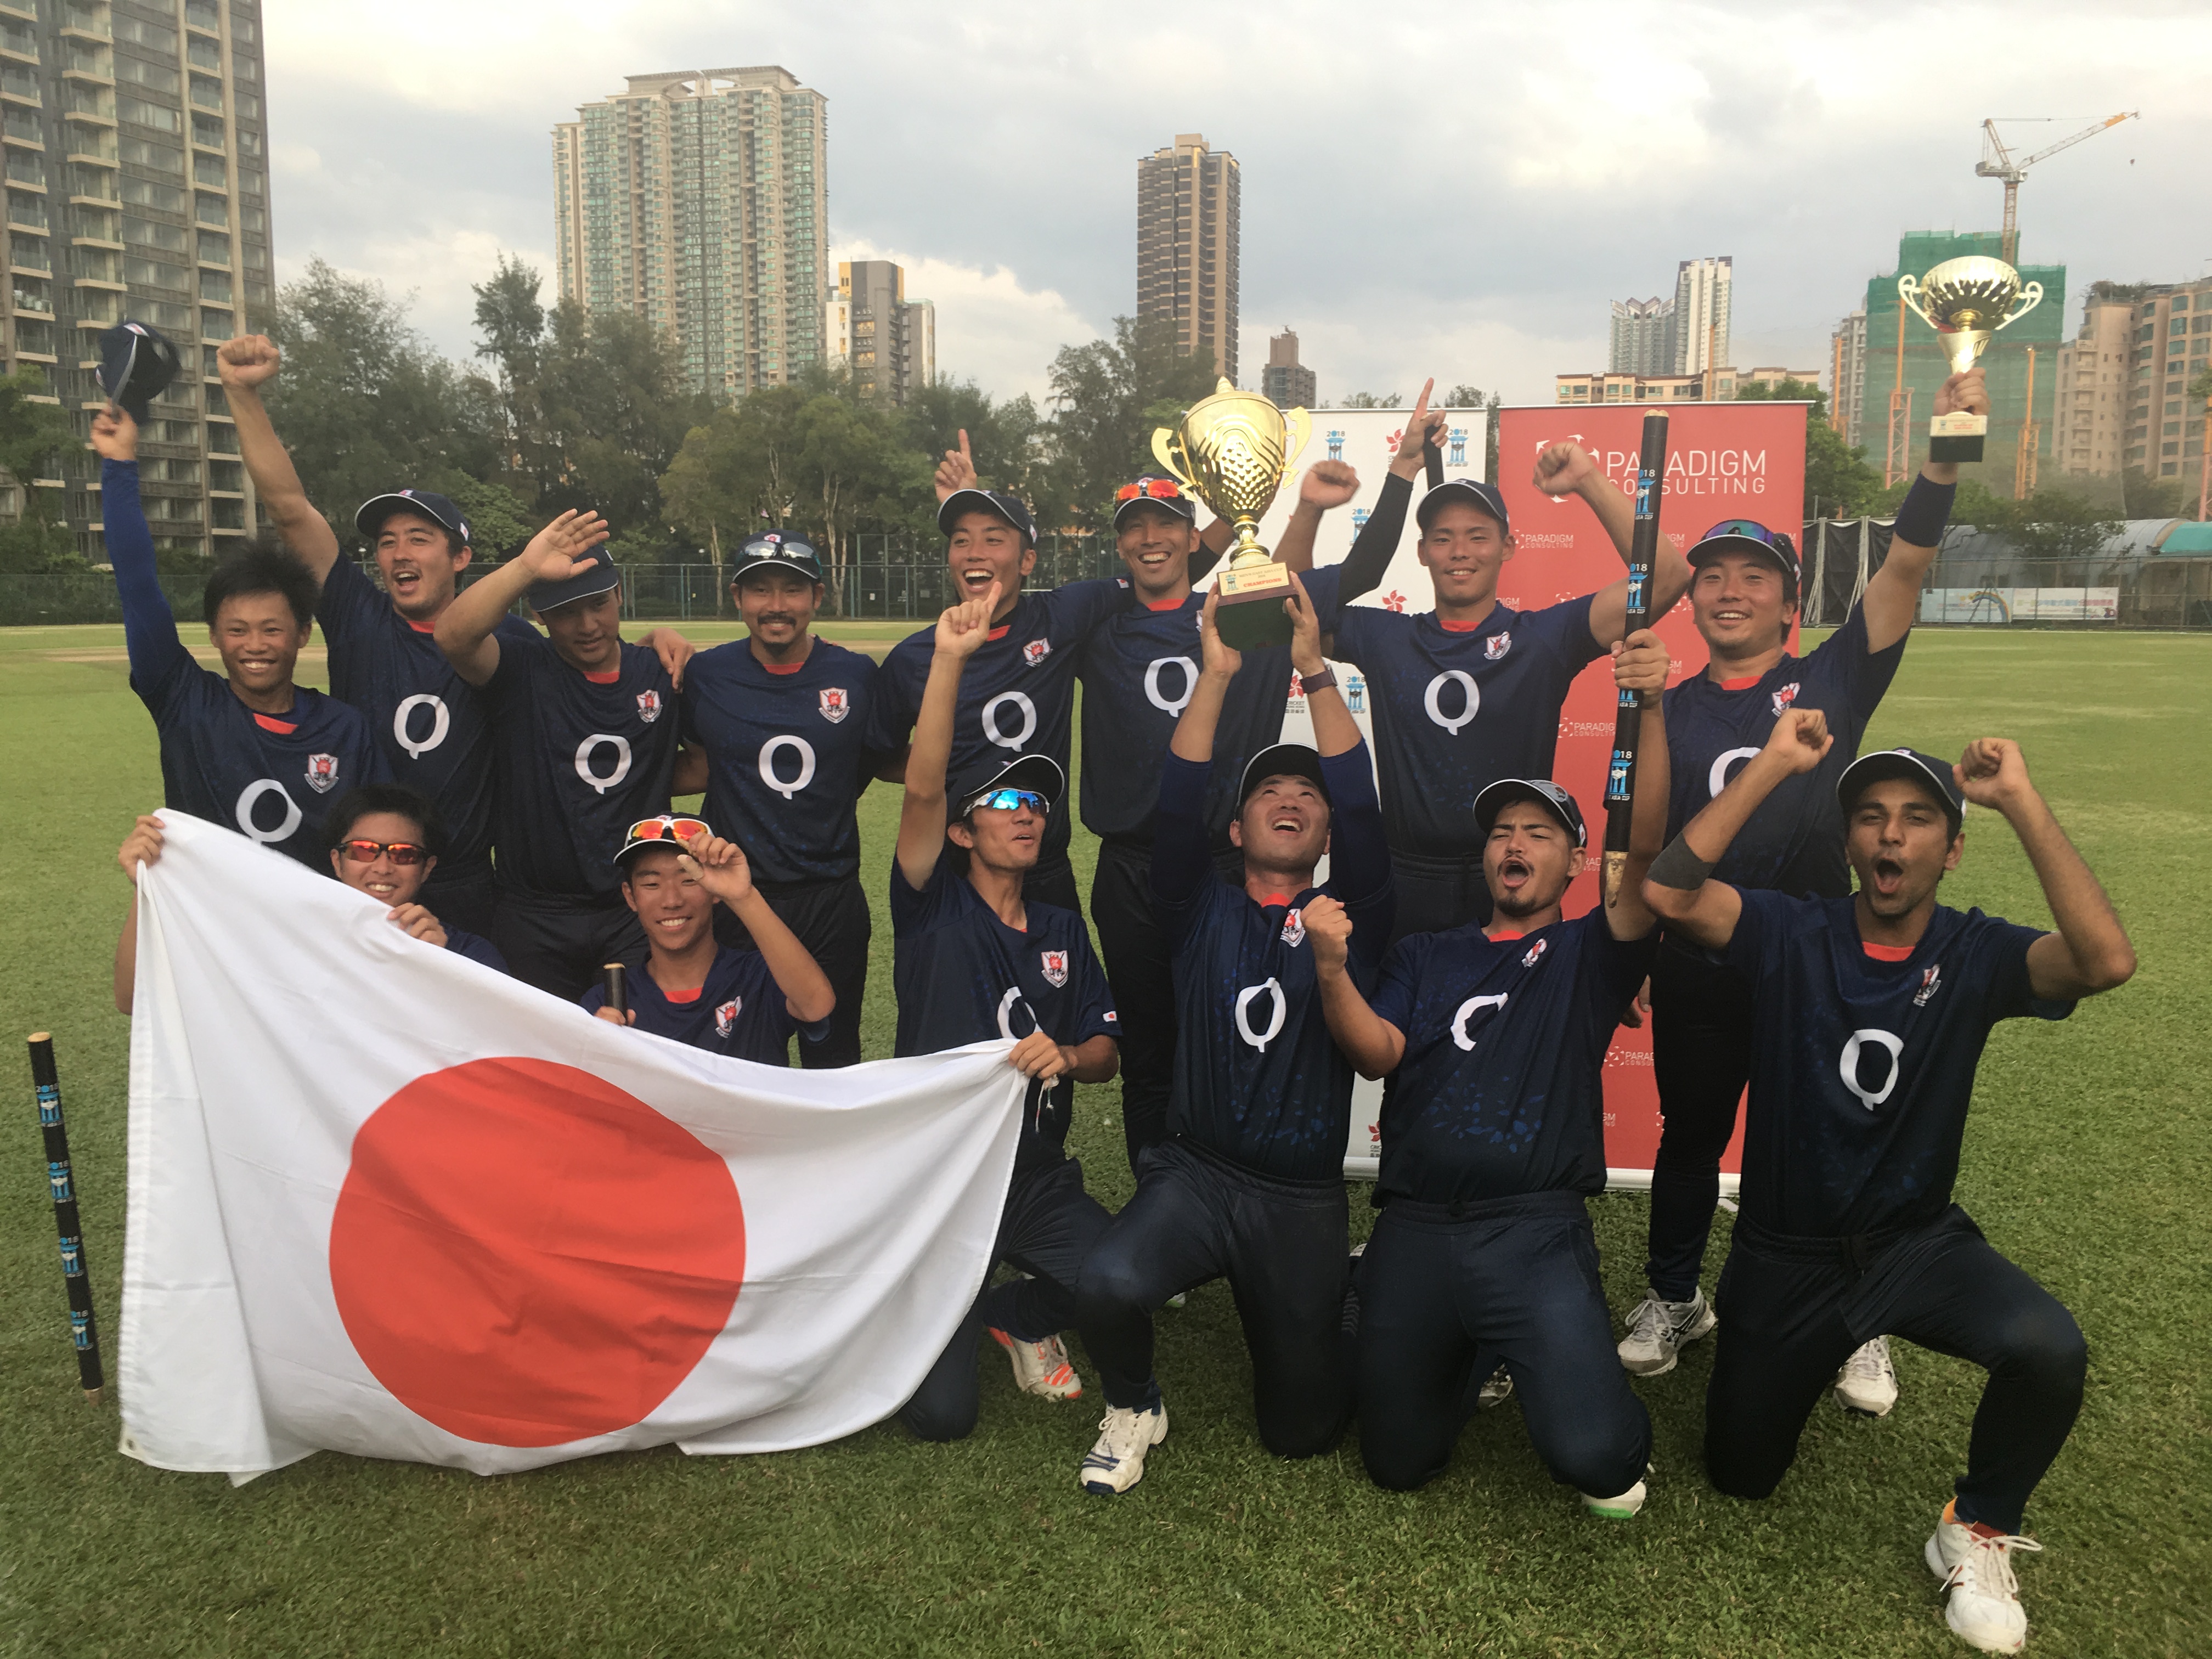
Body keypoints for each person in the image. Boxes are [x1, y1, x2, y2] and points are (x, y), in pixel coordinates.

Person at [1643, 717, 2131, 1654]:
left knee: (2048, 1347)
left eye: (1915, 819)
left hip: (1913, 1242)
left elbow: (2105, 960)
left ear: (1949, 849)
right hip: (1784, 1251)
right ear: (1849, 843)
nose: (1889, 835)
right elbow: (1667, 890)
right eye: (1869, 817)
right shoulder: (1789, 927)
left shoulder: (1978, 950)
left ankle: (1976, 1523)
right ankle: (1829, 1338)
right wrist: (1776, 766)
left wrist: (2020, 798)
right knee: (1739, 1473)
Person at [1620, 368, 1989, 1414]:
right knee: (1689, 1134)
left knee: (1826, 1145)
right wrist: (1641, 947)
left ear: (1790, 598)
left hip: (1812, 961)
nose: (1729, 590)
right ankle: (1673, 1295)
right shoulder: (1675, 699)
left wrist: (1944, 453)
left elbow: (1906, 564)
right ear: (1693, 597)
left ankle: (1855, 1318)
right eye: (1713, 577)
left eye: (1753, 576)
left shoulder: (1832, 677)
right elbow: (1648, 844)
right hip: (1698, 954)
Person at [1306, 630, 1671, 1517]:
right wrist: (1328, 967)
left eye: (1538, 832)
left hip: (1532, 1228)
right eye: (1501, 831)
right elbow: (1375, 1052)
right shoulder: (1428, 954)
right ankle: (1469, 1340)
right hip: (1419, 1224)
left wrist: (1651, 705)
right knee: (1395, 1459)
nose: (1514, 842)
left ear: (1573, 861)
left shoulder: (1591, 951)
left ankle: (1570, 1379)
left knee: (1595, 1458)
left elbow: (1649, 853)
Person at [1073, 576, 1392, 1496]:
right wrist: (1215, 674)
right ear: (1236, 821)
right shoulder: (1191, 901)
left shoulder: (1348, 911)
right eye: (1268, 790)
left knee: (1301, 1430)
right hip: (1198, 1174)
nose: (1289, 797)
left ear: (1325, 825)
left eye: (1307, 792)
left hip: (1297, 1197)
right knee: (1107, 1278)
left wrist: (1314, 674)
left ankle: (1353, 1281)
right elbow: (1172, 806)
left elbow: (1365, 808)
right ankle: (1135, 1400)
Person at [216, 334, 694, 939]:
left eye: (418, 538)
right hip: (368, 871)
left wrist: (650, 637)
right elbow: (289, 507)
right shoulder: (356, 613)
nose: (398, 553)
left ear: (461, 556)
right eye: (386, 542)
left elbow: (588, 667)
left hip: (468, 879)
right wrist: (242, 394)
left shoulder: (514, 643)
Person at [1075, 457, 1376, 1170]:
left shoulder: (1231, 613)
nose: (1151, 538)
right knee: (1150, 1048)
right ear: (1121, 544)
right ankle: (1161, 1195)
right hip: (1128, 872)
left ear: (1193, 537)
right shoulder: (1099, 628)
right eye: (1135, 527)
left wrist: (1310, 507)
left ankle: (1233, 1183)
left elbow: (1331, 579)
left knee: (1227, 1032)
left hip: (1221, 867)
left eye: (1166, 524)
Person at [1302, 402, 1679, 943]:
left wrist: (1588, 480)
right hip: (1405, 887)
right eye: (1442, 538)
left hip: (1510, 886)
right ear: (1423, 552)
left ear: (1508, 547)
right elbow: (1284, 607)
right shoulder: (1387, 638)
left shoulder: (1543, 639)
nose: (1460, 551)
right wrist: (1401, 471)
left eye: (1478, 536)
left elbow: (1665, 577)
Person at [887, 578, 1121, 1442]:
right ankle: (924, 1291)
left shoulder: (1062, 924)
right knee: (942, 1417)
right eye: (1006, 804)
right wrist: (948, 660)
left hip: (1030, 1178)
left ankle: (1017, 1311)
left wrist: (1070, 1054)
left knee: (1119, 1282)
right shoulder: (929, 907)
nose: (1027, 817)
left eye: (1036, 805)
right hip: (941, 1183)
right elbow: (918, 792)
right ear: (962, 830)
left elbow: (1106, 1049)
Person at [95, 406, 383, 870]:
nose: (254, 645)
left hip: (306, 936)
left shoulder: (346, 729)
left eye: (272, 629)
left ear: (303, 634)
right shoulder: (186, 703)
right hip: (215, 933)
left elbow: (378, 841)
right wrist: (119, 462)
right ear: (214, 636)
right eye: (237, 630)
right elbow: (137, 586)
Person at [435, 509, 703, 1000]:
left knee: (635, 1052)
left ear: (620, 593)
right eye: (563, 612)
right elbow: (452, 636)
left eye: (599, 603)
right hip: (534, 914)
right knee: (545, 1061)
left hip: (630, 911)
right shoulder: (520, 668)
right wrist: (525, 568)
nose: (587, 625)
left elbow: (701, 765)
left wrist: (646, 778)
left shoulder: (659, 672)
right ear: (538, 615)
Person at [678, 531, 900, 1067]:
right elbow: (696, 762)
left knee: (834, 1054)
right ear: (737, 598)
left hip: (831, 901)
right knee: (742, 1055)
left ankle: (837, 1155)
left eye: (792, 590)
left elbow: (871, 759)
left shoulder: (854, 675)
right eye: (759, 590)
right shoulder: (707, 675)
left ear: (817, 597)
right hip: (738, 899)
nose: (776, 606)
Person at [112, 782, 505, 1012]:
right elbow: (134, 1000)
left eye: (404, 854)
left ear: (428, 867)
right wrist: (145, 889)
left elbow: (511, 1049)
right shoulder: (286, 947)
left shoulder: (471, 956)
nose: (383, 868)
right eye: (364, 850)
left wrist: (441, 970)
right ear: (337, 861)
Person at [581, 816, 836, 1064]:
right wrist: (597, 1055)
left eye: (689, 880)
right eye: (652, 884)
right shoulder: (607, 1002)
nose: (672, 901)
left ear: (714, 891)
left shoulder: (759, 976)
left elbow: (816, 1006)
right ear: (630, 896)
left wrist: (743, 896)